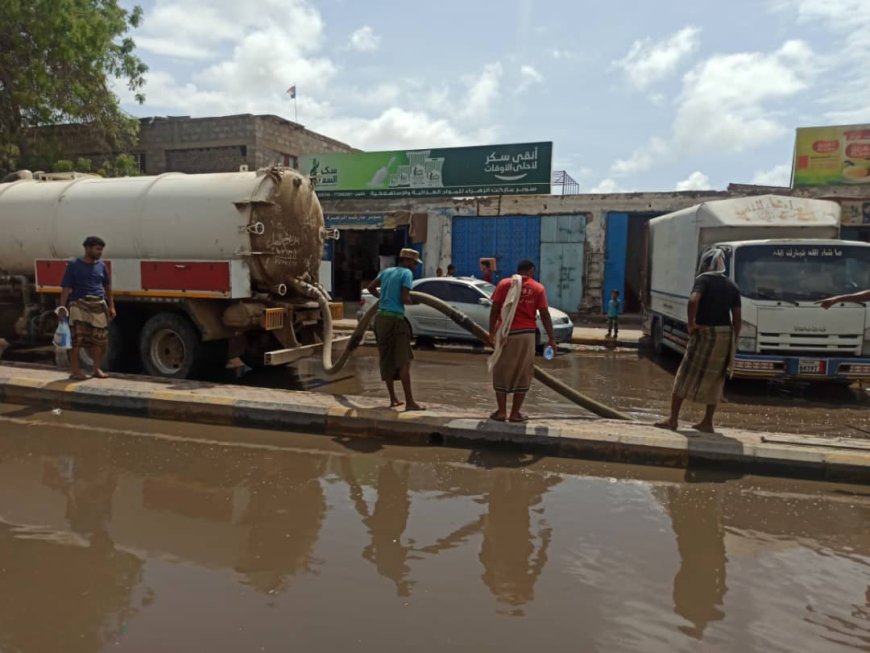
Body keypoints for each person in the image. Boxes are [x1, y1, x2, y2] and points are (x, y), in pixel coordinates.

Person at [655, 248, 741, 433]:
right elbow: (737, 317)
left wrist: (691, 324)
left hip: (705, 334)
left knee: (684, 374)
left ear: (706, 263)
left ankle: (673, 419)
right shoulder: (732, 286)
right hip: (725, 335)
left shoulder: (703, 280)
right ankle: (707, 422)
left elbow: (693, 301)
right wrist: (734, 337)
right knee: (716, 379)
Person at [487, 259, 556, 423]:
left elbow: (495, 309)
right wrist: (551, 338)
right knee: (523, 372)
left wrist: (491, 332)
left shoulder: (504, 284)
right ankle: (515, 413)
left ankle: (501, 411)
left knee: (501, 371)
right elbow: (545, 314)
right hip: (526, 335)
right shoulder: (538, 288)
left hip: (505, 333)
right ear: (531, 270)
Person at [365, 248, 424, 411]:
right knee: (404, 360)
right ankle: (410, 402)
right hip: (396, 319)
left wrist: (383, 298)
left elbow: (370, 287)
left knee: (386, 359)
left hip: (381, 319)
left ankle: (393, 399)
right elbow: (405, 298)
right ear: (407, 261)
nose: (414, 267)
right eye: (414, 263)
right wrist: (416, 302)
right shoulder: (407, 274)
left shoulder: (387, 272)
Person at [56, 236, 116, 380]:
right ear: (87, 248)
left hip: (98, 305)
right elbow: (66, 288)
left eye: (101, 250)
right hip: (79, 305)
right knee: (77, 340)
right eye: (97, 249)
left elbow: (107, 287)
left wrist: (111, 306)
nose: (100, 253)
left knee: (99, 340)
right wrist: (62, 308)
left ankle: (96, 369)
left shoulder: (102, 266)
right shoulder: (73, 265)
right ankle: (75, 371)